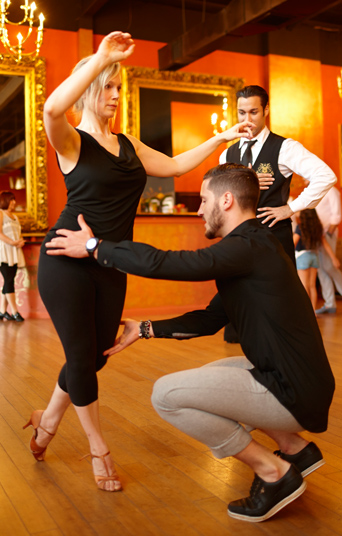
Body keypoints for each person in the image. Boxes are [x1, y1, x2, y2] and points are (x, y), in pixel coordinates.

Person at [23, 31, 256, 493]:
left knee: (97, 355)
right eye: (107, 87)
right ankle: (98, 448)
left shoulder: (128, 146)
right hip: (66, 256)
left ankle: (47, 418)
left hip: (110, 260)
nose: (114, 95)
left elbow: (173, 166)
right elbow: (50, 109)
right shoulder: (70, 140)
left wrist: (221, 137)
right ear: (90, 87)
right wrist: (101, 58)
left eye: (116, 87)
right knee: (80, 357)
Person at [44, 163, 335, 523]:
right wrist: (146, 328)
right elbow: (209, 320)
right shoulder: (255, 246)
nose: (199, 209)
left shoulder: (246, 248)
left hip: (295, 392)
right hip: (301, 381)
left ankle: (274, 472)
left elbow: (170, 263)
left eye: (203, 199)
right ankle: (296, 450)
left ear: (226, 200)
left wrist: (94, 246)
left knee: (166, 395)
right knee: (211, 374)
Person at [219, 84, 337, 342]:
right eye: (241, 113)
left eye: (253, 112)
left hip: (273, 238)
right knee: (243, 303)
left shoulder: (285, 148)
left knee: (278, 304)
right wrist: (245, 180)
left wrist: (291, 208)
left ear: (266, 111)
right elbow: (219, 195)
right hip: (238, 239)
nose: (247, 120)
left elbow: (326, 176)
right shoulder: (227, 153)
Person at [293, 208, 340, 311]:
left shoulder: (300, 227)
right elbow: (325, 244)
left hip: (302, 257)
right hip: (314, 256)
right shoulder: (317, 228)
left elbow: (294, 242)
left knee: (304, 286)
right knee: (312, 286)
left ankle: (305, 312)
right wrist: (334, 258)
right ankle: (313, 311)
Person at [315, 186, 342, 314]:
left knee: (330, 267)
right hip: (316, 234)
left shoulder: (331, 190)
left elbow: (337, 214)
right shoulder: (314, 189)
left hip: (327, 233)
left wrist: (329, 233)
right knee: (321, 269)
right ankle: (329, 303)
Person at [0, 191, 25, 322]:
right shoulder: (0, 213)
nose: (14, 202)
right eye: (11, 200)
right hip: (4, 253)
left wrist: (20, 241)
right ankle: (15, 311)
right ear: (5, 200)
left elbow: (18, 233)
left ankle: (2, 311)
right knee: (9, 280)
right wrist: (13, 242)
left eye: (14, 199)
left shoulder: (15, 216)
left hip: (14, 251)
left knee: (9, 280)